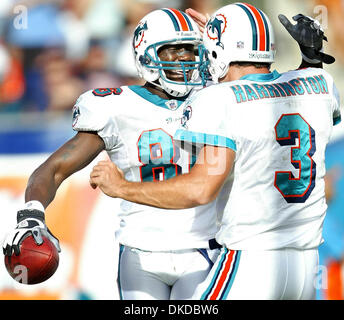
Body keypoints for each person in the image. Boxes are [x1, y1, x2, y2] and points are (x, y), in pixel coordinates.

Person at [89, 3, 341, 300]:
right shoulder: (319, 84)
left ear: (222, 54)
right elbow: (284, 94)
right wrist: (309, 60)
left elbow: (200, 189)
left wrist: (121, 187)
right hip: (306, 267)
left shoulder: (220, 100)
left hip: (251, 263)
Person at [2, 8, 222, 300]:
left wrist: (226, 44)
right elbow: (54, 168)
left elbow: (273, 91)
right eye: (173, 49)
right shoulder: (116, 108)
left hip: (204, 246)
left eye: (190, 49)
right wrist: (31, 214)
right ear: (146, 55)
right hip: (141, 251)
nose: (184, 57)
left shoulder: (218, 97)